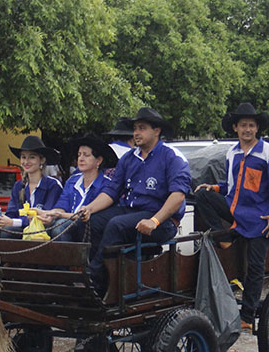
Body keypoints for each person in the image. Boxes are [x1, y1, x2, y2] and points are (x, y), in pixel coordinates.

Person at [194, 102, 269, 331]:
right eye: (242, 126)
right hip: (235, 209)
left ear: (257, 128)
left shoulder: (268, 152)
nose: (247, 130)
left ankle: (247, 317)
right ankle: (224, 238)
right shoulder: (232, 152)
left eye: (251, 125)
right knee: (202, 196)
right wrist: (215, 188)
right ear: (235, 128)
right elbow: (230, 186)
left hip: (259, 218)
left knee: (255, 268)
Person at [75, 107, 191, 296]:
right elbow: (111, 192)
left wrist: (154, 221)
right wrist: (88, 208)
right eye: (135, 128)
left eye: (142, 128)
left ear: (157, 131)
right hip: (130, 212)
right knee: (88, 222)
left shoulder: (172, 156)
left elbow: (177, 196)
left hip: (161, 220)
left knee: (116, 225)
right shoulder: (129, 158)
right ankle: (102, 278)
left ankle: (94, 282)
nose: (136, 133)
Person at [39, 134, 117, 242]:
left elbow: (86, 216)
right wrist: (50, 215)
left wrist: (59, 215)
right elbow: (62, 204)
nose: (81, 159)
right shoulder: (72, 181)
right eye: (79, 155)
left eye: (86, 155)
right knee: (42, 226)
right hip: (66, 220)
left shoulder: (106, 184)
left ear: (98, 160)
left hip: (88, 229)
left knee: (59, 227)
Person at [0, 135, 63, 238]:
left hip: (42, 233)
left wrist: (13, 222)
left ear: (42, 160)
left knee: (8, 231)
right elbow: (11, 213)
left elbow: (45, 218)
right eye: (23, 157)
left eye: (32, 157)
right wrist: (0, 221)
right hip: (20, 229)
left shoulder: (53, 185)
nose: (26, 162)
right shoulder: (18, 186)